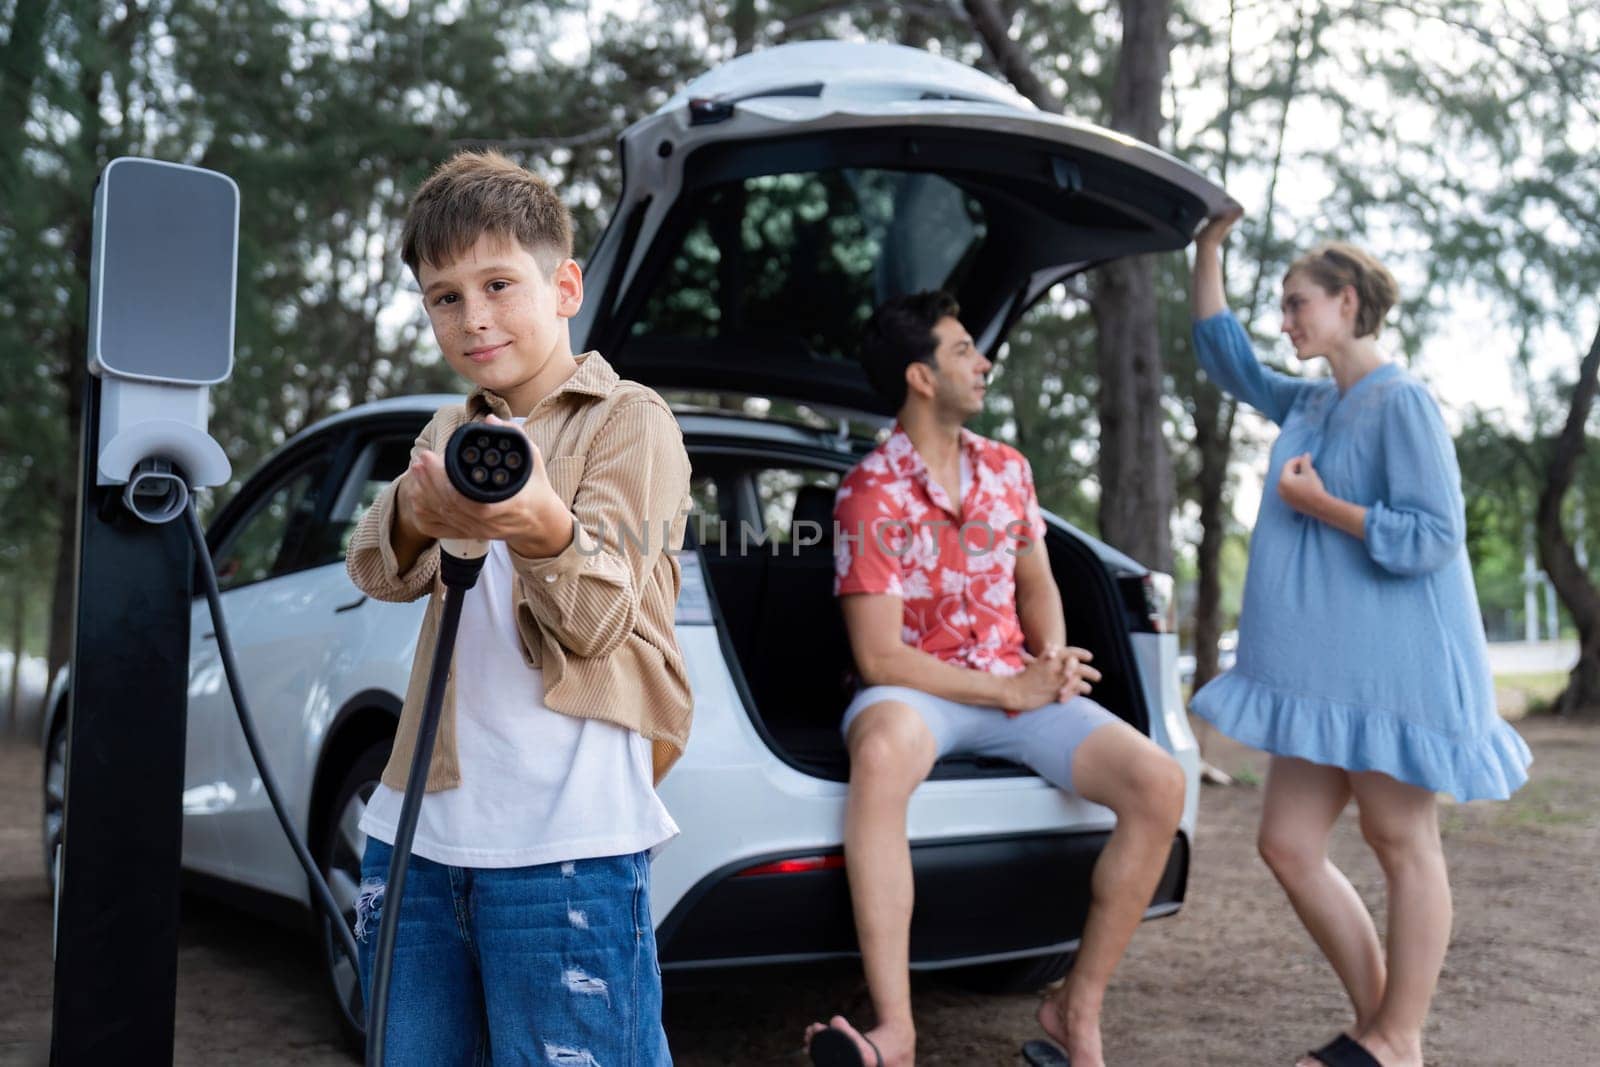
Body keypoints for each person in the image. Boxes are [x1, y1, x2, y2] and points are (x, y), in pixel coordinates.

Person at [344, 149, 692, 1065]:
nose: (474, 316)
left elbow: (604, 622)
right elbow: (377, 571)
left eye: (499, 282)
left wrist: (542, 525)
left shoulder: (629, 419)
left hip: (566, 839)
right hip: (415, 834)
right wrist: (414, 512)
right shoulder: (451, 429)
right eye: (444, 297)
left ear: (565, 283)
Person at [802, 291, 1189, 1067]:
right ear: (920, 376)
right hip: (919, 689)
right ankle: (896, 1030)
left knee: (1159, 782)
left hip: (1014, 683)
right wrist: (1009, 691)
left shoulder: (1008, 469)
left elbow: (1037, 580)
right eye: (962, 351)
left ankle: (1075, 1005)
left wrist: (1048, 659)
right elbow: (879, 657)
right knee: (878, 753)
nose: (983, 363)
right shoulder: (869, 492)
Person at [1188, 206, 1532, 1067]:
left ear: (1346, 303)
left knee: (1400, 841)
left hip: (1393, 670)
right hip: (1320, 678)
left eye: (1298, 302)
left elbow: (1433, 533)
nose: (1285, 319)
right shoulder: (1310, 401)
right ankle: (1383, 1026)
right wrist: (1209, 247)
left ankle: (1394, 1039)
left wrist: (1320, 506)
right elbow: (1224, 354)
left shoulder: (1402, 401)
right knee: (1288, 843)